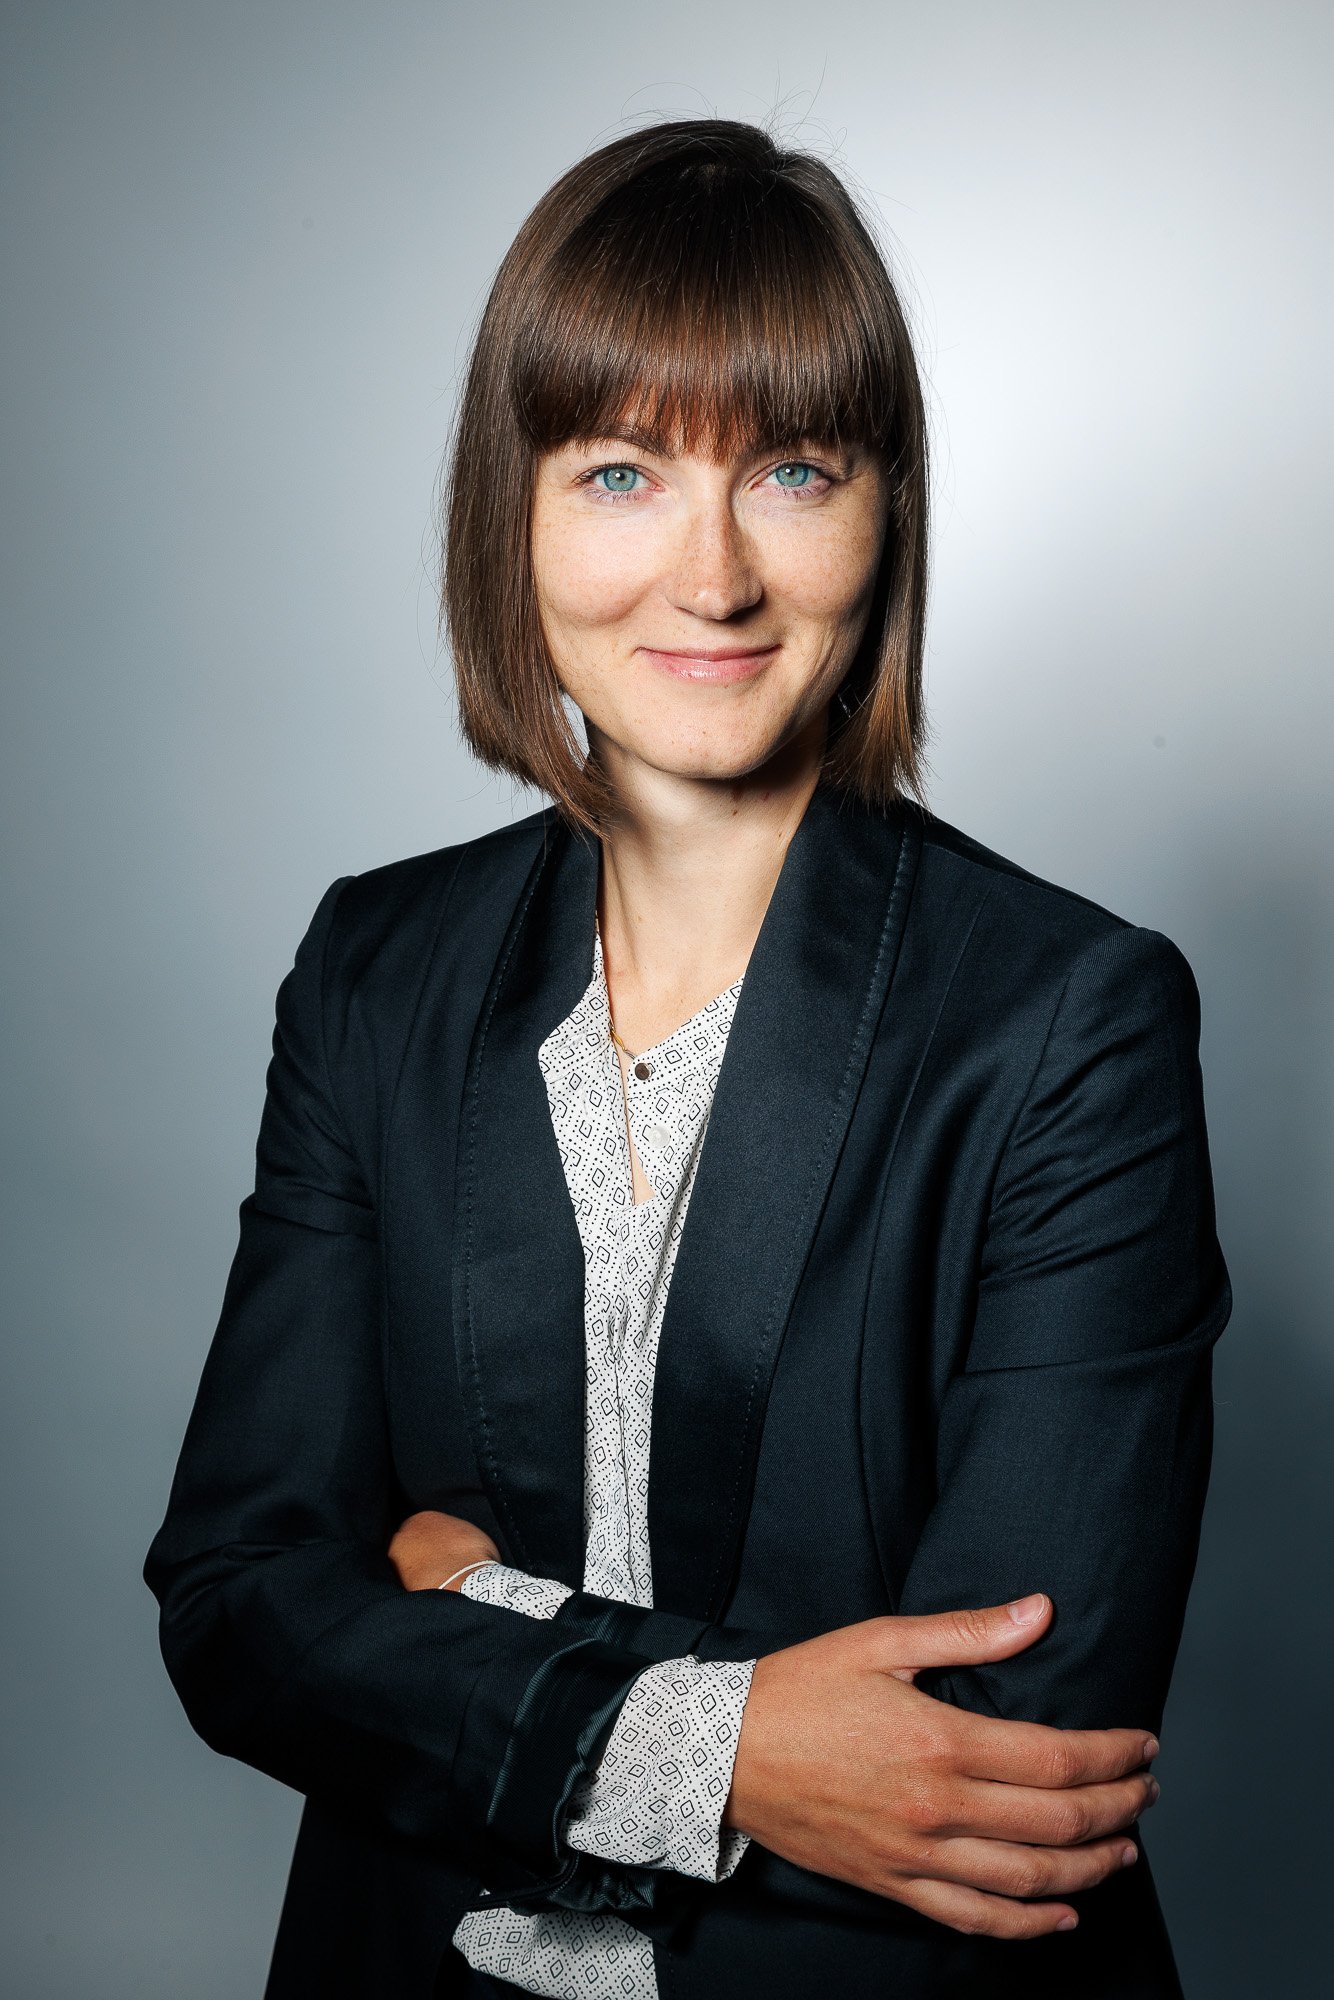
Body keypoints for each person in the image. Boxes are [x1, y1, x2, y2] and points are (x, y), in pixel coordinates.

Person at [145, 119, 1231, 2000]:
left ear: (883, 514)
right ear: (521, 513)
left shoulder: (1070, 1019)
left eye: (791, 470)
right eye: (623, 470)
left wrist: (464, 1612)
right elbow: (246, 1605)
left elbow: (993, 1756)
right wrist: (739, 1742)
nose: (710, 576)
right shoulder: (371, 970)